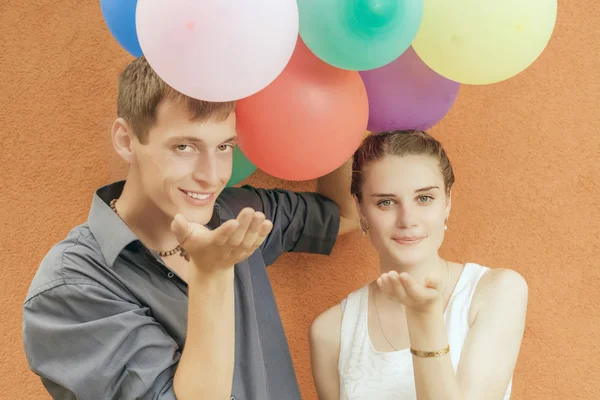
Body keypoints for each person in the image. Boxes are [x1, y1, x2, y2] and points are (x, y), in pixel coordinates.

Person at [22, 56, 358, 400]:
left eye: (225, 146)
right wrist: (212, 275)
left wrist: (340, 93)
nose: (212, 176)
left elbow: (342, 216)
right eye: (184, 146)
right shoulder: (71, 288)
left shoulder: (236, 214)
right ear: (126, 140)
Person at [309, 130, 528, 400]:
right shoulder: (331, 330)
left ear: (447, 201)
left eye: (424, 198)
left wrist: (425, 318)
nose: (408, 220)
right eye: (386, 202)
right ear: (361, 209)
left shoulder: (496, 291)